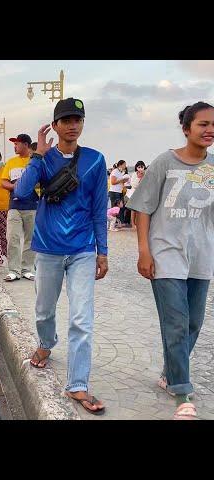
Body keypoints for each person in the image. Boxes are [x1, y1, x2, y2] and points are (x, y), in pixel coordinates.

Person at [14, 97, 108, 415]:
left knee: (82, 319)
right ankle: (46, 342)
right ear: (54, 126)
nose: (72, 125)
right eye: (65, 120)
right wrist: (38, 154)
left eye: (77, 119)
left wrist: (102, 252)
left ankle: (77, 384)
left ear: (82, 123)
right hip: (48, 249)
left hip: (82, 250)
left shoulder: (95, 161)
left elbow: (98, 209)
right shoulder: (43, 159)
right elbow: (23, 193)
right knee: (43, 310)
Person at [127, 101, 214, 420]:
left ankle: (169, 373)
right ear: (186, 128)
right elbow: (143, 209)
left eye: (213, 125)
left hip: (201, 259)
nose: (210, 130)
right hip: (166, 255)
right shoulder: (164, 162)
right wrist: (144, 251)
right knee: (176, 323)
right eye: (203, 124)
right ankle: (183, 393)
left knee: (192, 323)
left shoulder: (213, 168)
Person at [1, 134, 38, 281]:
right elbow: (3, 182)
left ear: (25, 144)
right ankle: (14, 270)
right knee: (12, 237)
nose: (14, 147)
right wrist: (14, 186)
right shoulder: (11, 163)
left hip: (32, 205)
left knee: (31, 238)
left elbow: (42, 180)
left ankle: (26, 269)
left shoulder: (35, 161)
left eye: (17, 144)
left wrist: (28, 185)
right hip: (14, 205)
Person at [109, 160, 130, 227]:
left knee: (121, 207)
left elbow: (118, 181)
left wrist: (124, 180)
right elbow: (113, 182)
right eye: (124, 164)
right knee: (115, 208)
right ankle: (113, 223)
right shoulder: (115, 171)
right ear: (120, 165)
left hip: (119, 191)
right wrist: (122, 179)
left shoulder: (120, 172)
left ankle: (120, 222)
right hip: (114, 192)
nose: (125, 166)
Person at [128, 161, 146, 227]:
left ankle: (140, 223)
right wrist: (139, 177)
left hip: (143, 193)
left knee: (141, 209)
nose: (140, 168)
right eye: (139, 167)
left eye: (142, 167)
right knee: (134, 209)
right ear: (136, 167)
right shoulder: (134, 174)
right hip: (135, 193)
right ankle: (133, 223)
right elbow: (133, 185)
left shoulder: (146, 173)